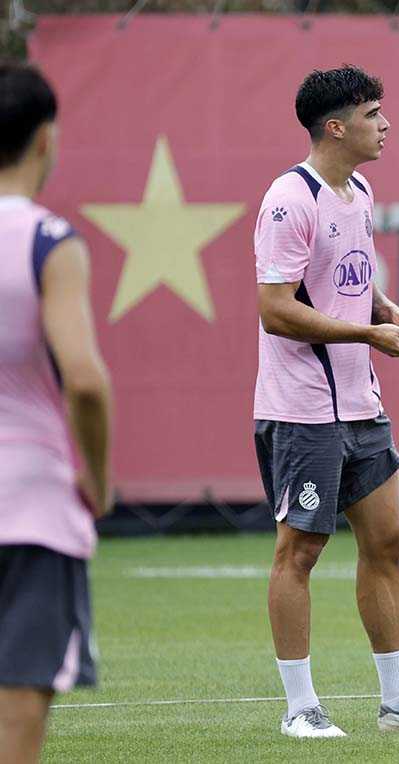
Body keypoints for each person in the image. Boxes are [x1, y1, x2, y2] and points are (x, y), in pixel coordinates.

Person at [253, 66, 399, 738]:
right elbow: (275, 310)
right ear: (336, 127)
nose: (385, 125)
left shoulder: (357, 190)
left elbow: (351, 283)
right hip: (303, 409)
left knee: (388, 542)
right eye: (372, 114)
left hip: (361, 405)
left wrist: (394, 315)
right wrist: (368, 334)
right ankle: (301, 709)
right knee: (299, 552)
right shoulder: (288, 200)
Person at [0, 61, 114, 763]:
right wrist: (97, 479)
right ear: (46, 137)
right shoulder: (48, 240)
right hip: (28, 506)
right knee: (17, 717)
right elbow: (86, 382)